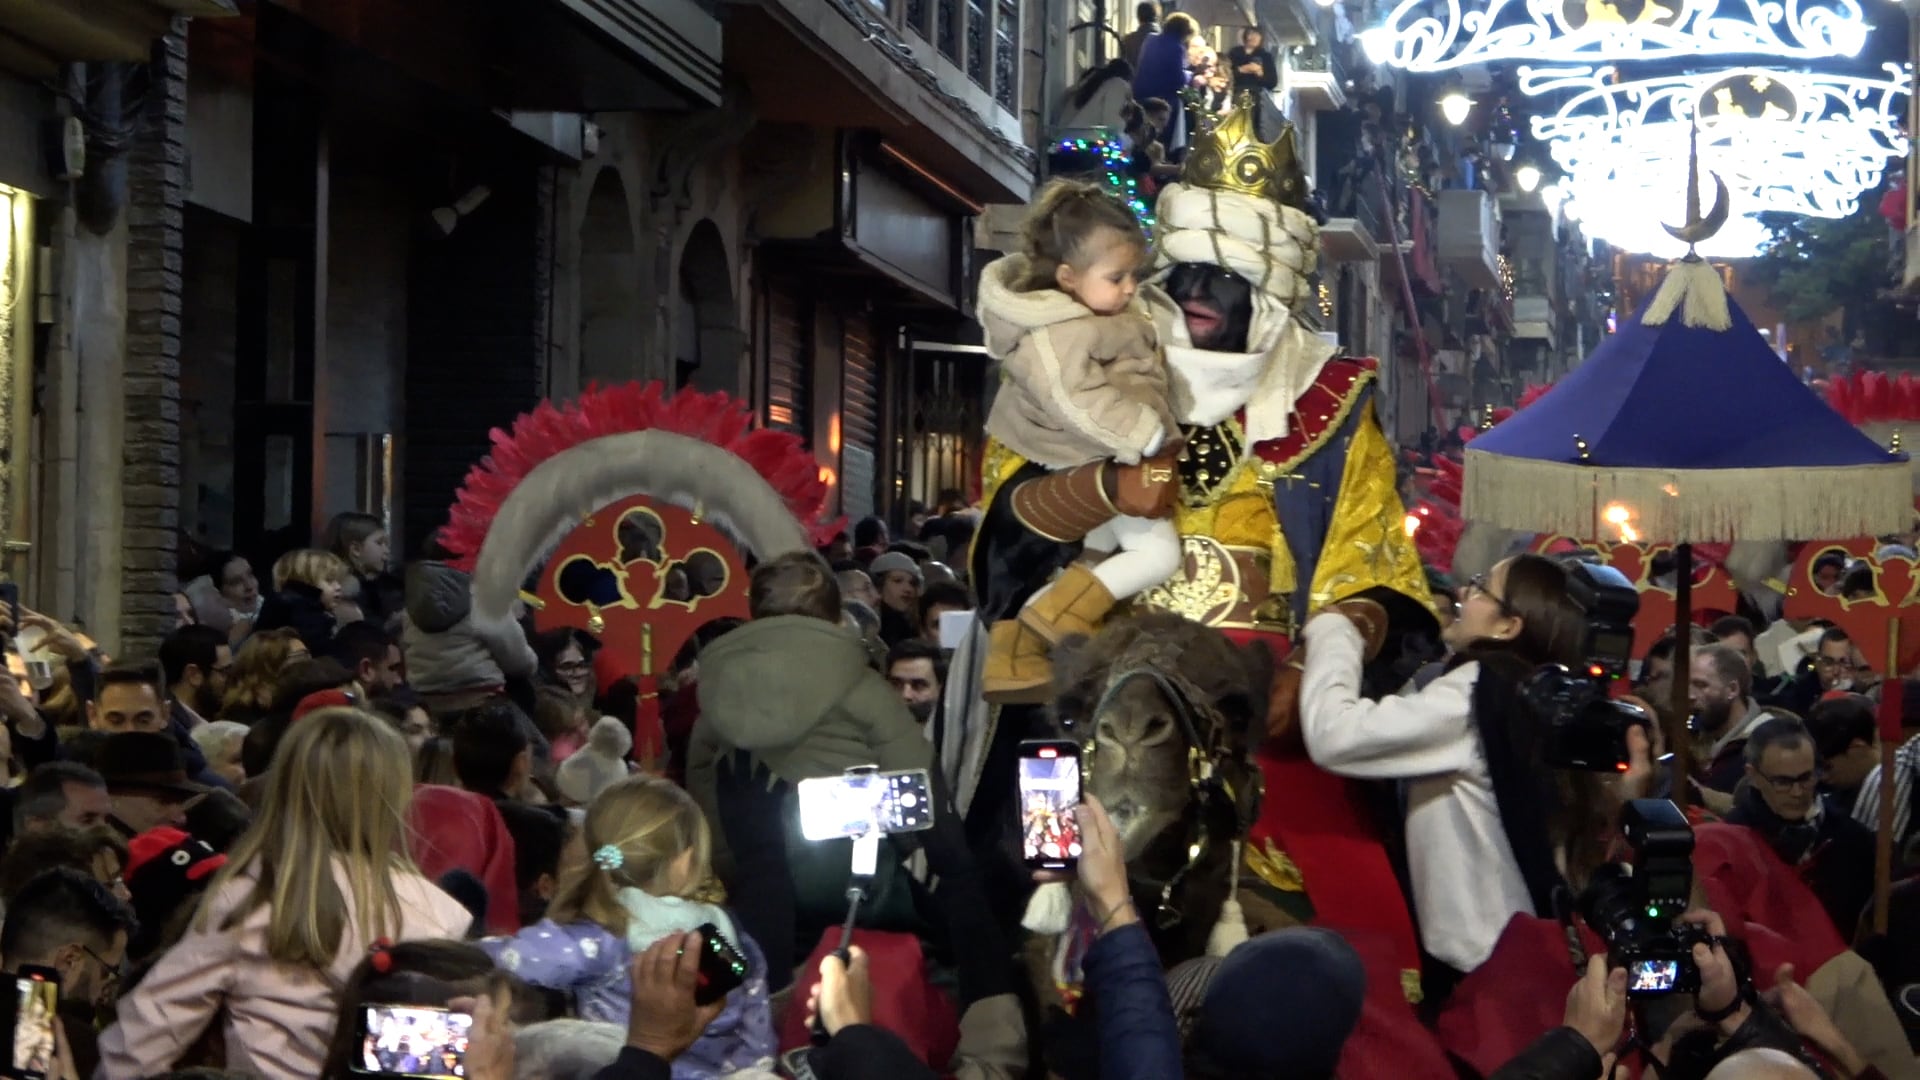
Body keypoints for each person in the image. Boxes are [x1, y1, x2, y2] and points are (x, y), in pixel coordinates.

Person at [96, 707, 475, 1080]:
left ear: (287, 786)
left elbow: (144, 1037)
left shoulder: (248, 902)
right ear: (394, 794)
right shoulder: (439, 914)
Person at [1298, 555, 1624, 986]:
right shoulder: (1534, 695)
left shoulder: (1477, 689)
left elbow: (1335, 735)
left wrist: (1336, 630)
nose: (1463, 595)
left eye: (1480, 587)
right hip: (1520, 948)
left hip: (1479, 964)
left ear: (1508, 626)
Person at [974, 179, 1180, 699]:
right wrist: (1144, 432)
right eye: (1117, 277)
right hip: (1088, 458)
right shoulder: (1058, 332)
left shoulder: (1093, 316)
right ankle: (1053, 617)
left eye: (1135, 275)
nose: (1131, 287)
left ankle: (1015, 649)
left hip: (1098, 456)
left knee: (1097, 552)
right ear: (1068, 277)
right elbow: (1073, 400)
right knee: (1158, 557)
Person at [480, 775, 777, 1077]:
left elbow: (504, 958)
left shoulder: (599, 938)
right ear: (686, 858)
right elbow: (757, 1039)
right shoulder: (732, 935)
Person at [1725, 717, 1876, 939]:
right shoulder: (1731, 840)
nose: (1797, 792)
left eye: (1806, 778)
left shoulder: (1854, 840)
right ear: (1753, 776)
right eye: (1782, 782)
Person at [1225, 26, 1277, 98]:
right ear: (1245, 36)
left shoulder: (1266, 56)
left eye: (1257, 35)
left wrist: (1260, 74)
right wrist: (1241, 70)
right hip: (1235, 93)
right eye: (1251, 34)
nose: (1254, 37)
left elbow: (1272, 83)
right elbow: (1225, 74)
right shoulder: (1234, 53)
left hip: (1257, 95)